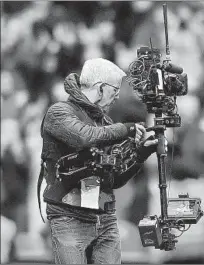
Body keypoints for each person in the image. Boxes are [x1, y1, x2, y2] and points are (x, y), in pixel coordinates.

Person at [38, 58, 158, 264]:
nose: (117, 97)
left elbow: (114, 180)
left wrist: (140, 155)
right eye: (115, 91)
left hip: (105, 218)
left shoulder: (105, 123)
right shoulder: (59, 113)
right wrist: (126, 128)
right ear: (100, 88)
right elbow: (85, 137)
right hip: (69, 217)